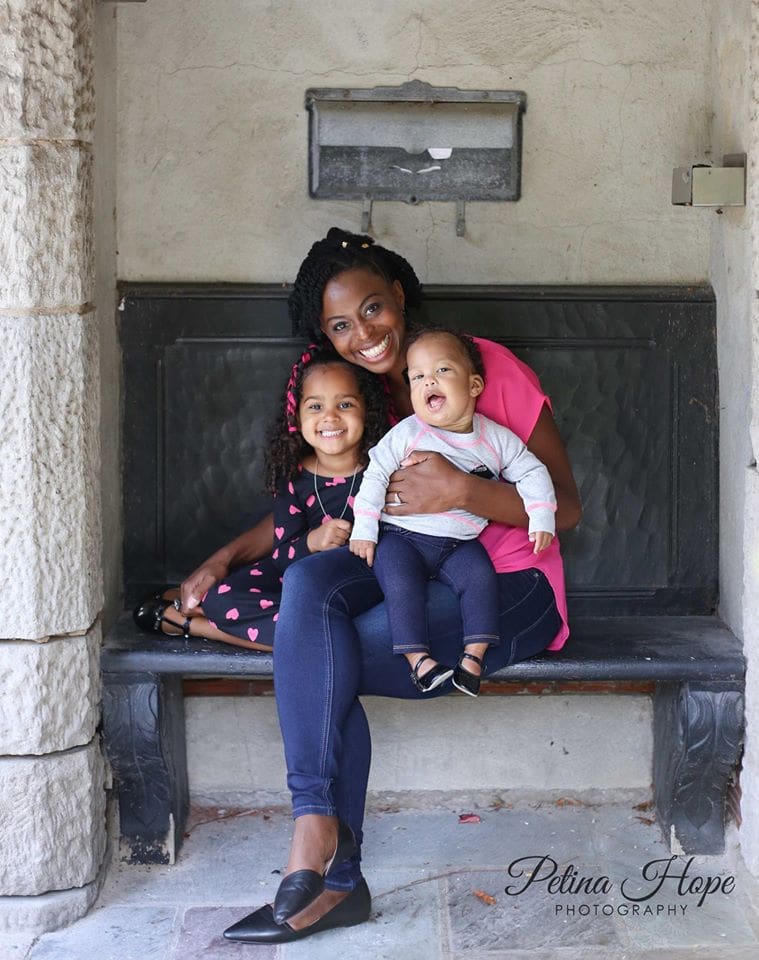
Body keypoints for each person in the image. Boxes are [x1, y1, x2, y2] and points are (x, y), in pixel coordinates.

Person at [183, 226, 583, 944]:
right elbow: (323, 499)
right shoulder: (365, 394)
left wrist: (461, 490)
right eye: (340, 325)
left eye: (373, 309)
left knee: (318, 657)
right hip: (400, 566)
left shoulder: (476, 368)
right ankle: (317, 825)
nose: (364, 334)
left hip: (506, 585)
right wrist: (222, 561)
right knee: (310, 590)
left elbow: (568, 507)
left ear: (399, 295)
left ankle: (335, 877)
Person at [132, 347, 387, 651]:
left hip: (356, 588)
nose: (330, 417)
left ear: (366, 410)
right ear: (297, 415)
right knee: (221, 597)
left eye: (345, 404)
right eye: (315, 407)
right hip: (295, 584)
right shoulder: (294, 477)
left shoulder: (382, 469)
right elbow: (281, 557)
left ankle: (196, 625)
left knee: (334, 621)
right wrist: (312, 542)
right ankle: (311, 635)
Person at [349, 328, 556, 698]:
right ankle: (420, 663)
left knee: (480, 580)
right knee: (401, 587)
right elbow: (375, 475)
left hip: (458, 543)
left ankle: (472, 661)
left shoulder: (495, 438)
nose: (428, 380)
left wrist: (541, 516)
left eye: (442, 370)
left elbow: (532, 472)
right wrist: (364, 528)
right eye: (417, 377)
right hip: (402, 539)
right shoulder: (407, 433)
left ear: (474, 385)